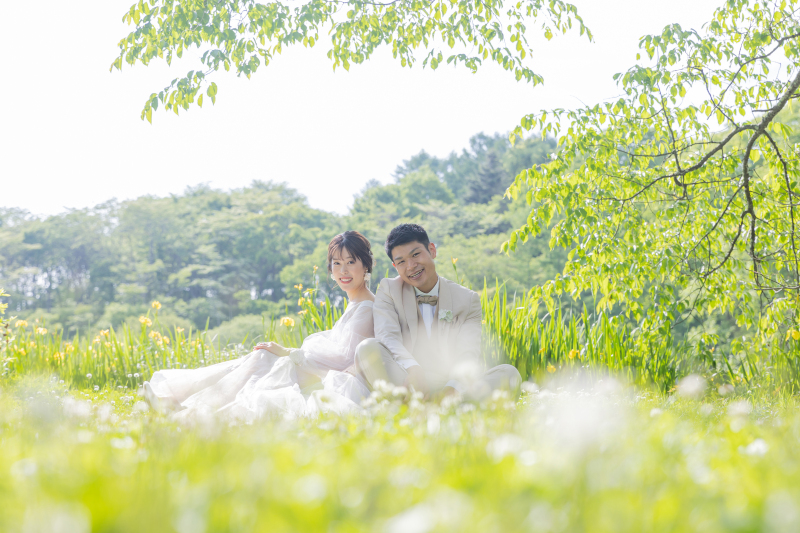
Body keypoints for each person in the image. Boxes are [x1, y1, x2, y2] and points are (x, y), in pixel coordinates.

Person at [142, 231, 376, 421]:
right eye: (337, 263)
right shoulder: (355, 303)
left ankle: (179, 404)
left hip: (337, 383)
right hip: (317, 372)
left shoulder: (366, 308)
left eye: (350, 262)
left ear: (365, 265)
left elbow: (346, 362)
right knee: (259, 358)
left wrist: (289, 353)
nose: (342, 271)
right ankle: (177, 401)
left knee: (262, 359)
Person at [354, 223, 521, 400]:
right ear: (395, 266)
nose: (410, 266)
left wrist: (451, 388)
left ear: (432, 250)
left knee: (509, 374)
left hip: (449, 386)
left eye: (416, 254)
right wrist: (413, 368)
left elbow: (468, 352)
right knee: (367, 349)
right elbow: (387, 336)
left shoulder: (467, 299)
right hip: (405, 380)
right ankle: (417, 410)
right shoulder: (389, 290)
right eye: (401, 261)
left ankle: (437, 409)